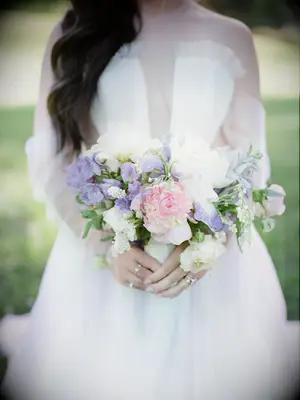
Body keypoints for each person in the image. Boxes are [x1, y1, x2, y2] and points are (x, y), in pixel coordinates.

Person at [0, 1, 299, 399]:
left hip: (211, 267)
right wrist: (107, 246)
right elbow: (53, 159)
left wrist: (207, 244)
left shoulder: (233, 35)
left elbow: (250, 163)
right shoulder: (75, 34)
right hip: (104, 259)